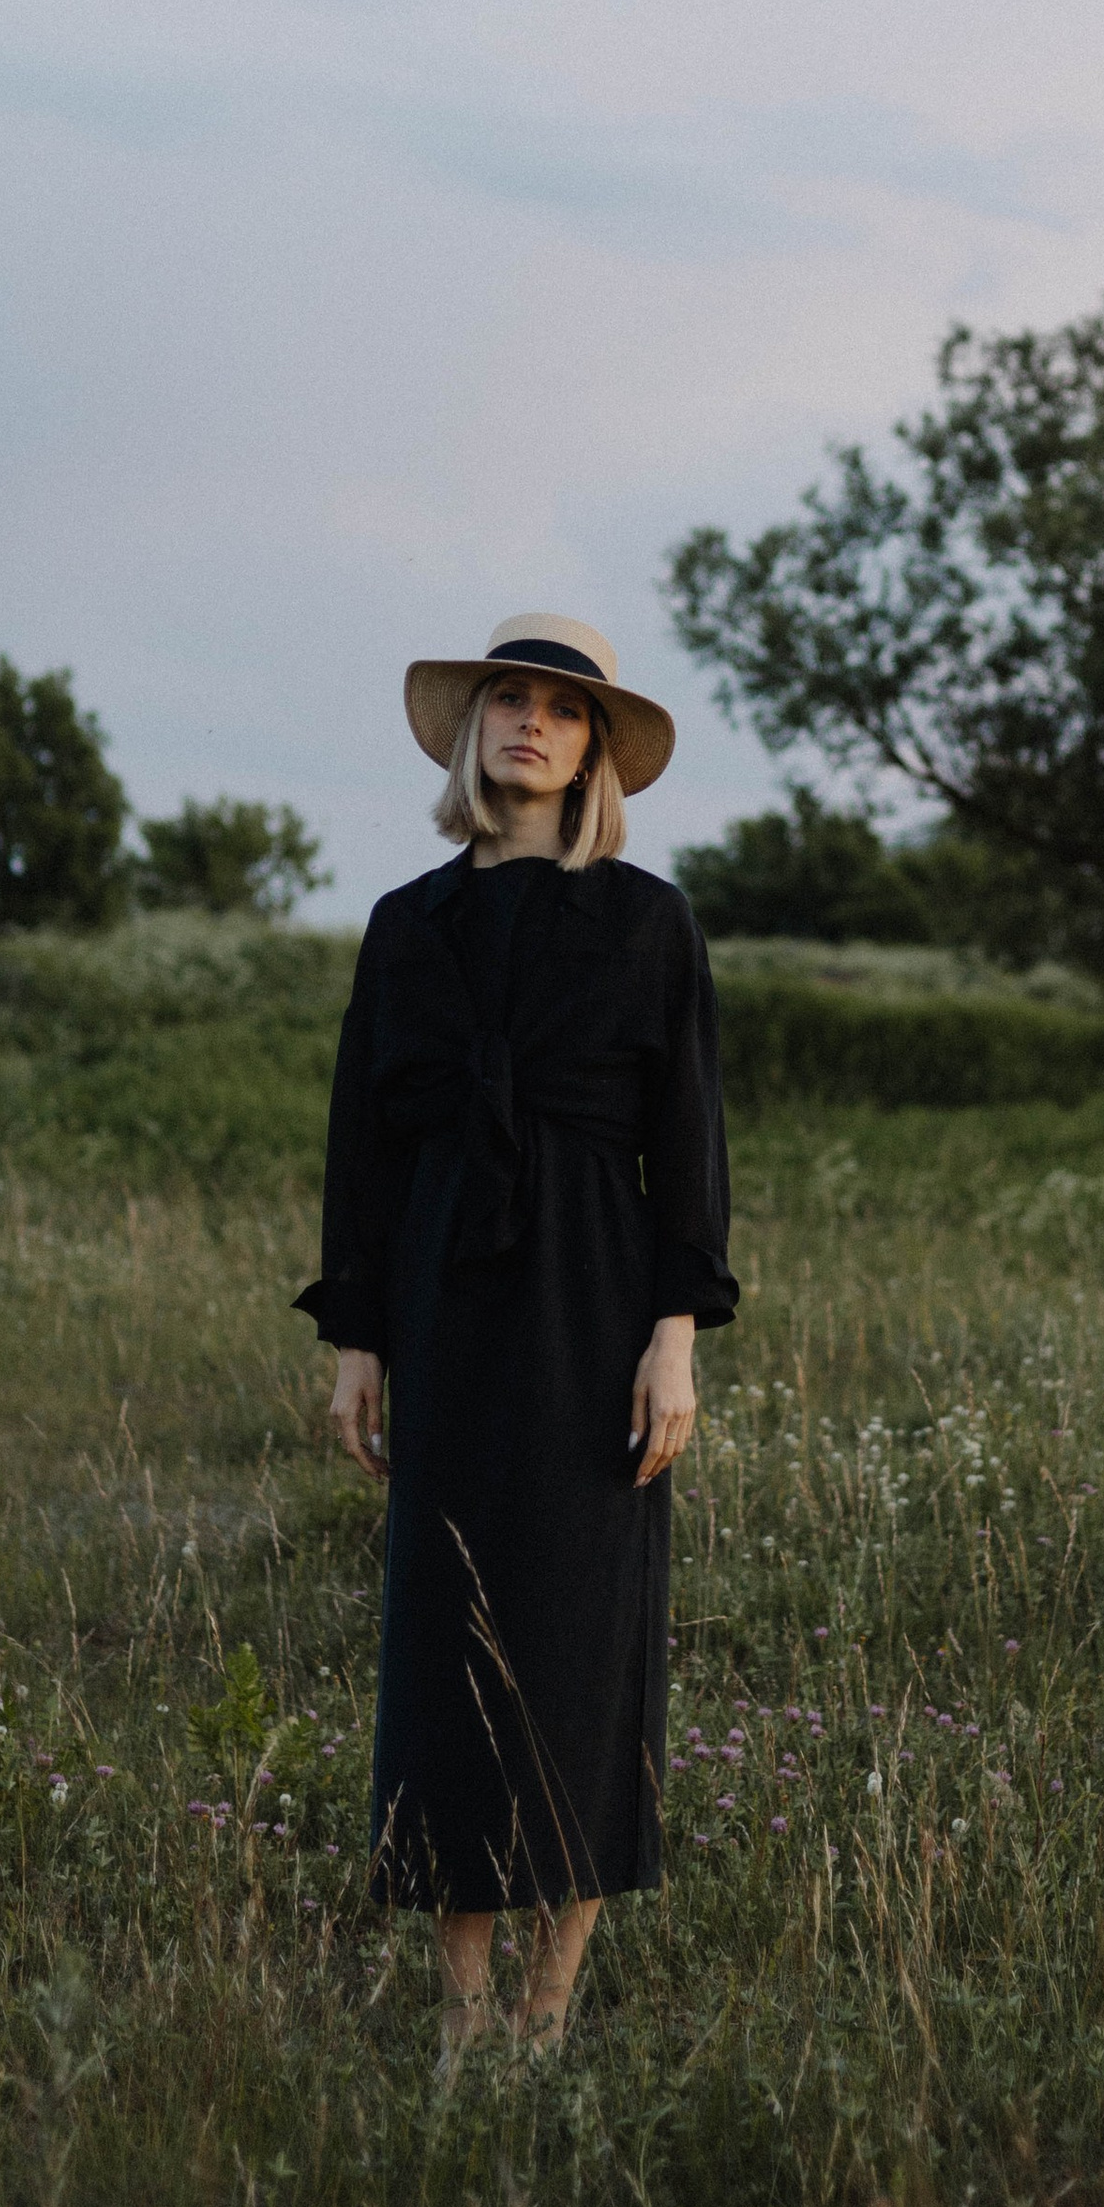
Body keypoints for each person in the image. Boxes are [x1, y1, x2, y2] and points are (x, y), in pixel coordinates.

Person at [297, 614, 737, 2058]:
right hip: (442, 1297)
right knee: (446, 1644)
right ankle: (463, 2011)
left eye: (561, 706)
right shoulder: (406, 924)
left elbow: (689, 1142)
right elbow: (362, 1143)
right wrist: (358, 1336)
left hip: (596, 1299)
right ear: (475, 729)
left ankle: (550, 2009)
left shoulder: (650, 922)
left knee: (584, 1645)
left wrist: (674, 1336)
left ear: (593, 746)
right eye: (508, 699)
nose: (530, 723)